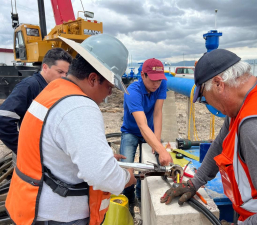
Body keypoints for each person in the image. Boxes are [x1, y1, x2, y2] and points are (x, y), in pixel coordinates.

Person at [5, 34, 136, 225]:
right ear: (92, 79)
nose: (109, 93)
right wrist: (126, 178)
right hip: (58, 217)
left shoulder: (54, 91)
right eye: (109, 86)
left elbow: (51, 149)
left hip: (31, 207)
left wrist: (95, 156)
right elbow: (101, 175)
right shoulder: (80, 107)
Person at [161, 49, 257, 224]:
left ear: (219, 84)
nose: (207, 104)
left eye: (204, 98)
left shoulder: (256, 125)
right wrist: (194, 183)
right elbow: (220, 144)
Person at [120, 58, 173, 215]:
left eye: (159, 79)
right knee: (127, 169)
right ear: (143, 75)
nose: (157, 84)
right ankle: (129, 200)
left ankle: (142, 198)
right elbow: (141, 125)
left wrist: (156, 143)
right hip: (131, 131)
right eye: (153, 79)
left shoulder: (162, 84)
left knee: (149, 168)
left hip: (149, 132)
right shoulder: (132, 91)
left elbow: (157, 113)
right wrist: (162, 150)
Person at [0, 48, 72, 157]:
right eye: (60, 72)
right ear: (45, 67)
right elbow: (4, 119)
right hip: (31, 156)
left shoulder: (53, 87)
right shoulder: (30, 85)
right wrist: (23, 149)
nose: (64, 76)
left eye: (66, 73)